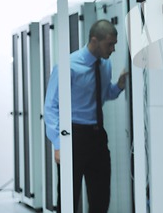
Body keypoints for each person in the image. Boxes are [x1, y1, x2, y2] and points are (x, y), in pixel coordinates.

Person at [44, 19, 128, 213]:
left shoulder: (105, 65)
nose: (113, 49)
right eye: (110, 44)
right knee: (69, 199)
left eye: (114, 44)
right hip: (73, 136)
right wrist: (58, 144)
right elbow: (51, 106)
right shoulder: (68, 66)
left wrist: (120, 85)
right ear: (94, 40)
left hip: (97, 136)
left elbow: (104, 94)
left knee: (100, 198)